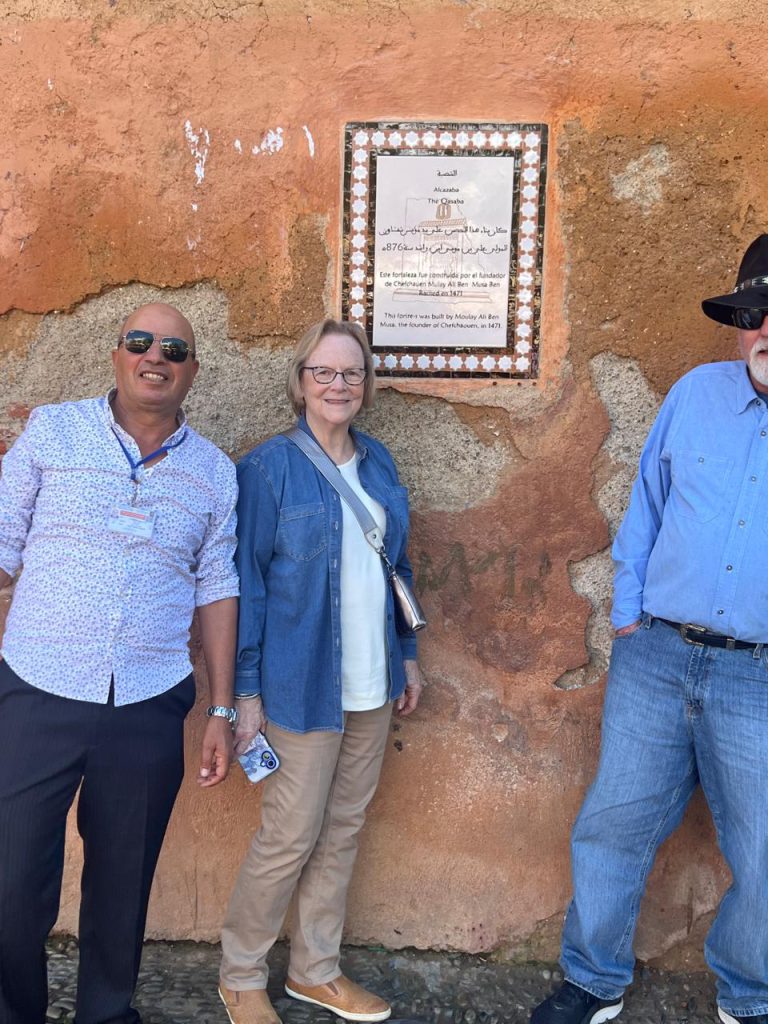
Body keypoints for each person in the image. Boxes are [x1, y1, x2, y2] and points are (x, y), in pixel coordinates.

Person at [530, 234, 768, 1024]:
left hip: (759, 676)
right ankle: (592, 980)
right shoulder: (696, 394)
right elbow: (645, 510)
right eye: (754, 314)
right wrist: (628, 616)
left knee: (764, 853)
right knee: (613, 824)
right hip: (657, 657)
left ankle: (749, 994)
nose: (766, 329)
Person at [0, 302, 240, 1024]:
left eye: (174, 347)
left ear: (192, 371)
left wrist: (222, 709)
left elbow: (218, 585)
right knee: (11, 880)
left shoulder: (213, 473)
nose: (155, 356)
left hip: (148, 696)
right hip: (37, 687)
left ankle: (105, 1014)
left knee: (123, 882)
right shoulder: (53, 432)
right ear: (117, 355)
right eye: (140, 341)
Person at [218, 318, 426, 1024]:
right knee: (288, 837)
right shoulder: (268, 469)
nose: (339, 385)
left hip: (372, 688)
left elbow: (396, 567)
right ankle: (240, 974)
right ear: (301, 381)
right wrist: (244, 692)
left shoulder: (380, 464)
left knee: (341, 832)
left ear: (366, 386)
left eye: (352, 373)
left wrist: (407, 655)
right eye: (324, 372)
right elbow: (245, 584)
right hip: (298, 686)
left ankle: (315, 970)